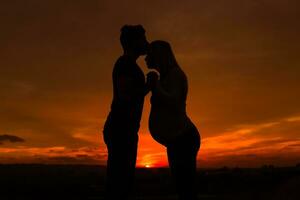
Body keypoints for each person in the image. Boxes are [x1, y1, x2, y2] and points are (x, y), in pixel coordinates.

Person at [145, 40, 201, 200]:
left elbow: (174, 101)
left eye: (149, 54)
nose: (146, 58)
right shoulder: (164, 77)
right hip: (176, 140)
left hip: (183, 138)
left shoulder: (175, 74)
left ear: (159, 55)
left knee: (185, 188)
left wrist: (155, 86)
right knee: (182, 186)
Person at [103, 25, 149, 199]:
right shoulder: (124, 64)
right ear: (133, 42)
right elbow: (125, 95)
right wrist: (148, 87)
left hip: (124, 129)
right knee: (120, 182)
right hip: (120, 129)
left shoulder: (129, 65)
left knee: (123, 180)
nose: (146, 43)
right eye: (143, 39)